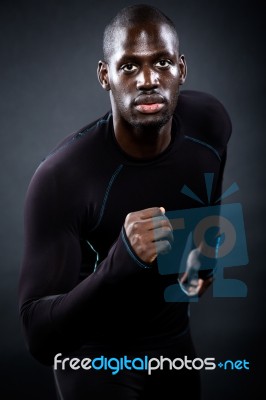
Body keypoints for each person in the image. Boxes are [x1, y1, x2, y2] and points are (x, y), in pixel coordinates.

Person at [18, 4, 232, 399]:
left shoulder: (210, 123)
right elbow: (38, 337)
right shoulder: (61, 177)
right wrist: (122, 263)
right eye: (129, 67)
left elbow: (208, 199)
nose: (149, 80)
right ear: (105, 76)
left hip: (174, 346)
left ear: (181, 69)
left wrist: (202, 260)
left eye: (162, 63)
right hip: (94, 356)